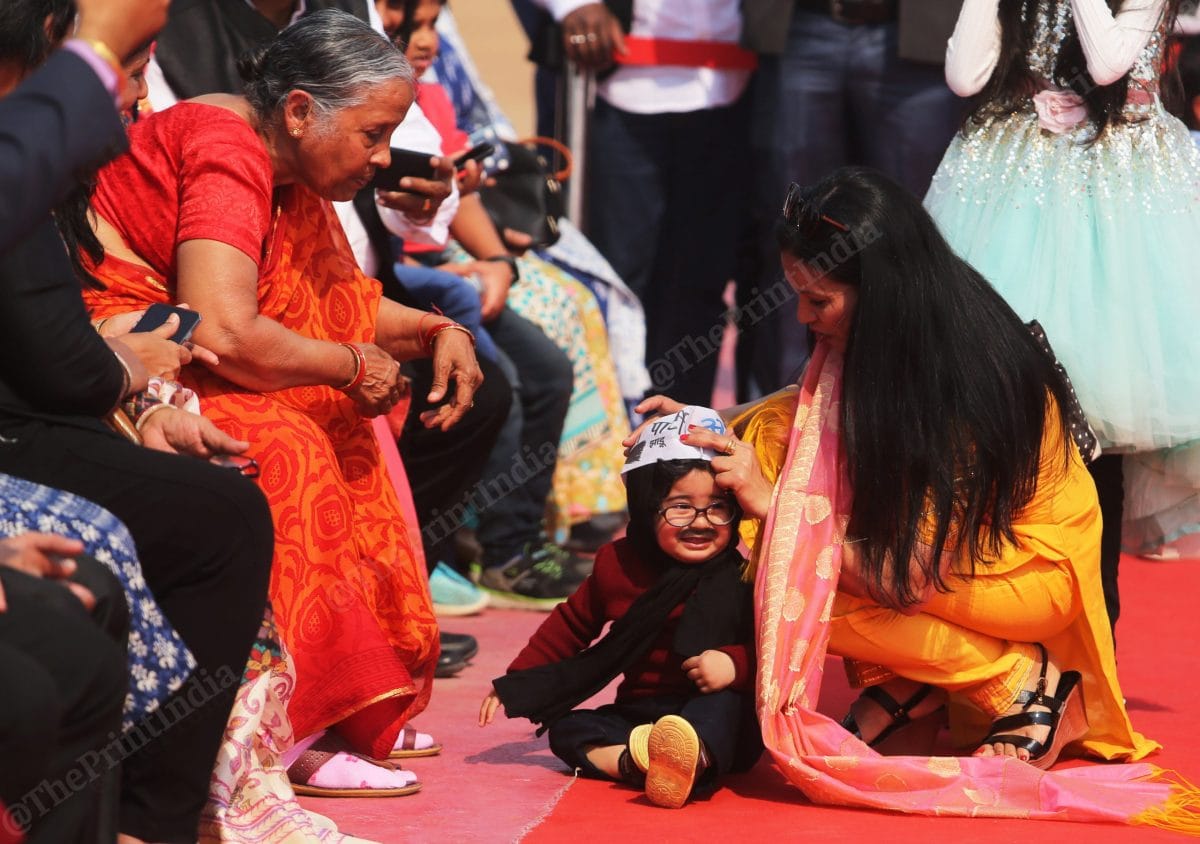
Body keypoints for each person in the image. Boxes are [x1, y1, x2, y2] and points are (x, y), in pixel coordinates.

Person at [629, 169, 1200, 828]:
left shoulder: (959, 388)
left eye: (819, 300)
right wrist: (705, 427)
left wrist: (771, 502)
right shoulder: (902, 334)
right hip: (940, 562)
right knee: (779, 469)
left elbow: (902, 572)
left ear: (883, 292)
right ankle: (907, 685)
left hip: (1023, 578)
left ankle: (1018, 682)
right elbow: (801, 420)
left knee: (783, 578)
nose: (803, 318)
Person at [80, 10, 482, 793]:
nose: (383, 155)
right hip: (133, 355)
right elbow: (226, 329)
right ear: (299, 111)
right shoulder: (227, 146)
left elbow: (341, 302)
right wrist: (347, 366)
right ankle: (293, 730)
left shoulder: (292, 168)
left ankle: (351, 703)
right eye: (371, 133)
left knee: (345, 422)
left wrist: (437, 328)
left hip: (198, 352)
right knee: (286, 445)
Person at [0, 2, 277, 839]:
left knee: (257, 458)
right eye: (131, 59)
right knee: (221, 508)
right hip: (31, 422)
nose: (137, 92)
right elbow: (72, 356)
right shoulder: (210, 143)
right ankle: (153, 818)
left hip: (60, 406)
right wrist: (130, 372)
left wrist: (140, 396)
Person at [925, 0, 1200, 622]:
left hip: (1117, 199)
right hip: (1013, 188)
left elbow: (1107, 64)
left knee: (1097, 431)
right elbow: (965, 78)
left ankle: (1092, 635)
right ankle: (1000, 631)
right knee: (1000, 423)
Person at [480, 406, 761, 809]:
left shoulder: (744, 574)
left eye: (718, 507)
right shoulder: (618, 565)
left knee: (720, 705)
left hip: (714, 715)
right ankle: (637, 763)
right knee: (566, 730)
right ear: (647, 507)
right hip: (642, 715)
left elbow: (775, 651)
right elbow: (572, 623)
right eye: (680, 506)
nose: (700, 522)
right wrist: (520, 680)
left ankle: (692, 759)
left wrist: (735, 665)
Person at [737, 0, 963, 397]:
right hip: (803, 23)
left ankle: (913, 405)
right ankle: (786, 422)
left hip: (922, 33)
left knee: (916, 239)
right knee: (792, 239)